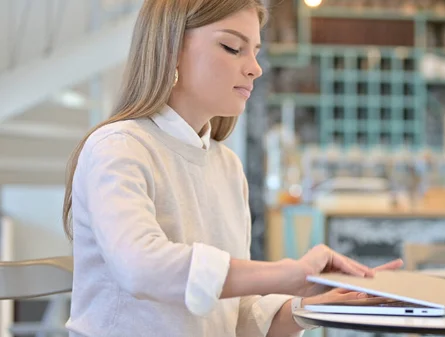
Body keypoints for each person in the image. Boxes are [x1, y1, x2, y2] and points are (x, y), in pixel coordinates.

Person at [61, 1, 403, 336]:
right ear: (171, 49)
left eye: (255, 50)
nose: (255, 67)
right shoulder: (119, 146)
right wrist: (283, 273)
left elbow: (237, 317)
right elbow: (141, 268)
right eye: (233, 47)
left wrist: (316, 307)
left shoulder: (226, 166)